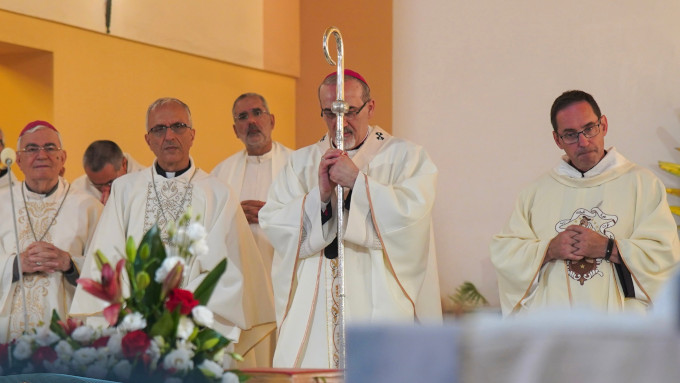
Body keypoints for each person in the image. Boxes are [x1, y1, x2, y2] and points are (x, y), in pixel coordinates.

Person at [259, 70, 442, 368]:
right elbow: (274, 221)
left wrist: (358, 182)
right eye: (329, 113)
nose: (339, 122)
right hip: (315, 310)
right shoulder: (301, 162)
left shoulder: (406, 157)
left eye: (350, 111)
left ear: (370, 107)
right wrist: (318, 198)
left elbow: (412, 217)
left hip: (378, 300)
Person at [70, 98, 275, 357]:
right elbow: (107, 260)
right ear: (148, 140)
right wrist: (135, 309)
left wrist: (179, 307)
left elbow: (228, 270)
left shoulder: (218, 193)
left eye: (178, 126)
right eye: (159, 129)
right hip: (133, 330)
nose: (169, 136)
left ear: (192, 135)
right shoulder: (124, 190)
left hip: (192, 329)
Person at [490, 90, 680, 316]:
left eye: (589, 128)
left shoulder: (642, 184)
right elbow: (506, 255)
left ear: (604, 125)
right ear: (557, 139)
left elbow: (665, 256)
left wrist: (608, 248)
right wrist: (548, 250)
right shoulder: (535, 193)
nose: (583, 141)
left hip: (621, 328)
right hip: (555, 327)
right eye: (570, 134)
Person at [0, 121, 102, 342]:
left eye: (49, 147)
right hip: (7, 335)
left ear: (62, 157)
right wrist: (16, 265)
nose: (41, 154)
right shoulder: (1, 203)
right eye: (31, 149)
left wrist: (70, 263)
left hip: (68, 336)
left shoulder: (90, 208)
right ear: (18, 160)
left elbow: (107, 269)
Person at [211, 93, 292, 367]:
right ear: (235, 130)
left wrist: (273, 215)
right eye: (242, 117)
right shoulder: (220, 175)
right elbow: (207, 231)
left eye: (257, 113)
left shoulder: (297, 166)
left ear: (271, 120)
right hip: (242, 289)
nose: (251, 122)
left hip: (283, 282)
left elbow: (313, 218)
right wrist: (234, 219)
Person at [71, 140, 144, 204]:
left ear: (123, 164)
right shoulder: (77, 190)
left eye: (110, 182)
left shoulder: (147, 185)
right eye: (97, 185)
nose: (105, 190)